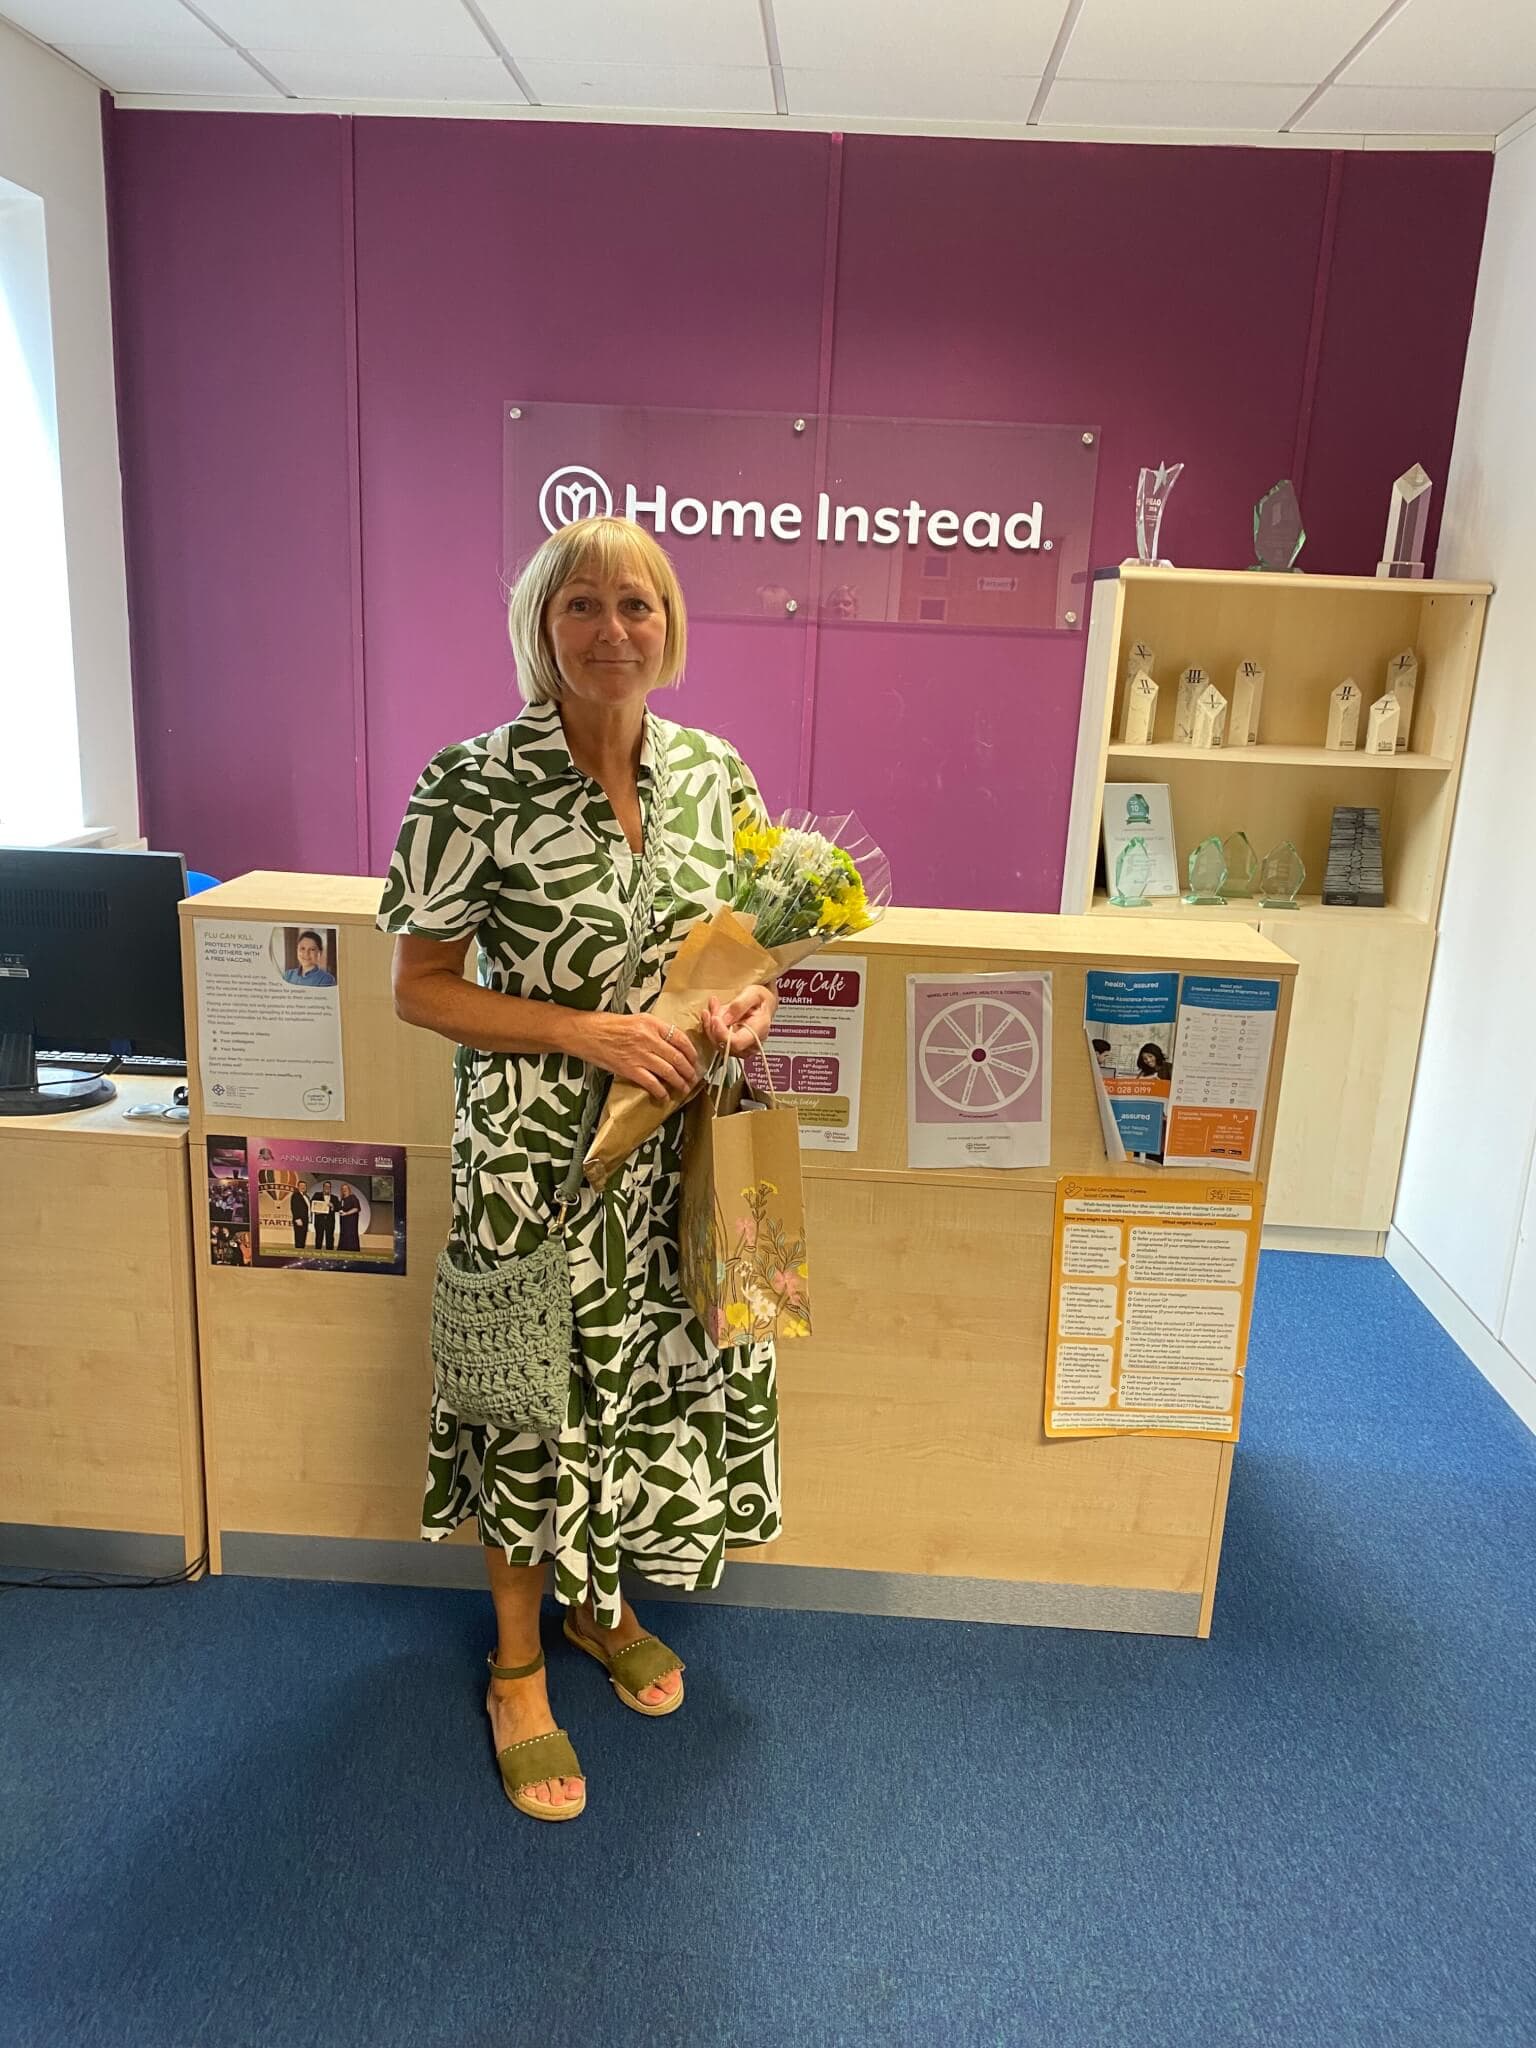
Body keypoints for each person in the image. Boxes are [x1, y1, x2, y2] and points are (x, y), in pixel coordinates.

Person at [381, 515, 778, 1825]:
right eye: (584, 607)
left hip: (672, 1152)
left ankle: (600, 1609)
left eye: (639, 606)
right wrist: (580, 1028)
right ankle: (513, 1668)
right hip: (531, 1163)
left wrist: (744, 1011)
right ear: (541, 630)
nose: (614, 631)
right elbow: (422, 991)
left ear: (672, 625)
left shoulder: (718, 775)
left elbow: (750, 950)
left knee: (637, 1388)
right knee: (521, 1398)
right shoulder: (469, 783)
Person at [309, 1180, 336, 1251]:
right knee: (318, 1237)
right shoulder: (317, 1195)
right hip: (319, 1220)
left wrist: (333, 1206)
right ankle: (317, 1253)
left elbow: (338, 1207)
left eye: (329, 1186)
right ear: (323, 1187)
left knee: (330, 1237)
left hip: (330, 1221)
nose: (327, 1188)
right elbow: (312, 1204)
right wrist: (315, 1211)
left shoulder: (334, 1197)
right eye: (326, 1186)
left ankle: (330, 1253)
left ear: (330, 1188)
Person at [336, 1183, 362, 1253]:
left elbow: (356, 1208)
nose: (344, 1190)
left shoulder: (353, 1197)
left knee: (351, 1235)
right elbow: (339, 1208)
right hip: (343, 1221)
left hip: (351, 1222)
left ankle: (352, 1251)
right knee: (344, 1235)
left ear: (349, 1190)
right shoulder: (342, 1199)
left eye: (346, 1188)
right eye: (343, 1189)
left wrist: (346, 1213)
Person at [289, 1182, 310, 1249]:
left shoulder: (306, 1196)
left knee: (303, 1238)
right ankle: (298, 1253)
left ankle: (301, 1252)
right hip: (299, 1220)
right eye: (301, 1185)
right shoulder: (295, 1195)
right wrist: (297, 1219)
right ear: (298, 1187)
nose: (303, 1187)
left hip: (305, 1219)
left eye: (304, 1185)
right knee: (299, 1238)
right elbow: (294, 1207)